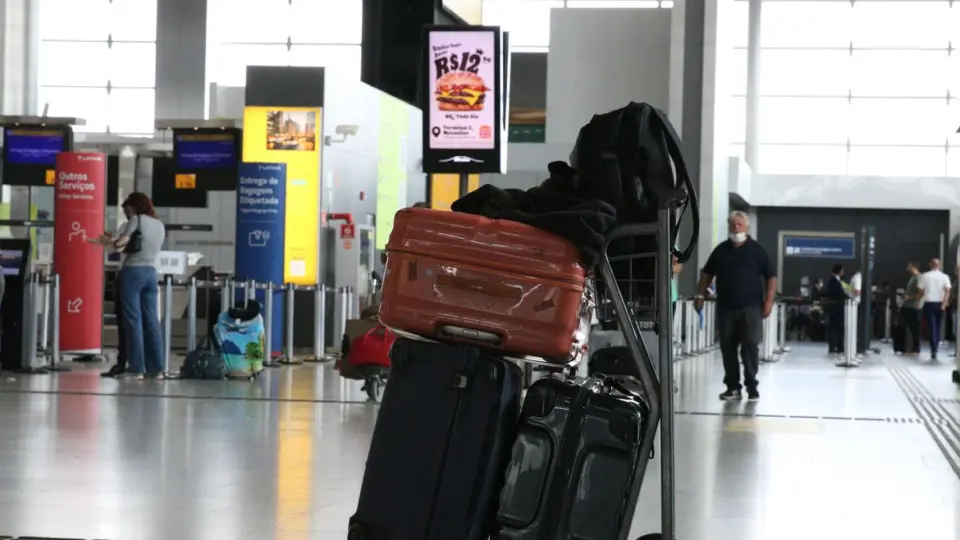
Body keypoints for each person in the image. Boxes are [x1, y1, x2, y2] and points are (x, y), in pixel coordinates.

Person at [695, 211, 776, 402]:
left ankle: (751, 385)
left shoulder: (757, 251)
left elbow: (771, 277)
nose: (736, 227)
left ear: (747, 227)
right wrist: (700, 294)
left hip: (751, 309)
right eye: (732, 224)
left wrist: (768, 301)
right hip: (726, 308)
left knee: (750, 346)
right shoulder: (721, 250)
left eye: (739, 224)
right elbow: (706, 274)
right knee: (727, 347)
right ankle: (733, 387)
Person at [91, 193, 166, 379]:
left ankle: (136, 368)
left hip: (133, 272)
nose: (126, 214)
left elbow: (120, 244)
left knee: (133, 321)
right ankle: (157, 368)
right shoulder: (159, 225)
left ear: (135, 207)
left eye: (128, 209)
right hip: (151, 272)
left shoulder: (136, 220)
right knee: (151, 321)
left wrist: (107, 242)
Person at [917, 257, 951, 360]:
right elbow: (947, 290)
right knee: (938, 326)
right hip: (940, 304)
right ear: (939, 265)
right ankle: (935, 346)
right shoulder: (944, 276)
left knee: (931, 327)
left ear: (930, 265)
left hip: (929, 304)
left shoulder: (925, 276)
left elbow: (920, 290)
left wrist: (918, 301)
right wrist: (944, 304)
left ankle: (933, 349)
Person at [825, 264, 848, 357]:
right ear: (839, 271)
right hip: (835, 309)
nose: (843, 272)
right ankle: (835, 346)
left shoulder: (838, 281)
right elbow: (838, 294)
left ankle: (838, 346)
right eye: (842, 270)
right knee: (835, 328)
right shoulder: (833, 281)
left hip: (837, 308)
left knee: (837, 328)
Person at [902, 262, 923, 357]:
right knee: (911, 328)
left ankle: (916, 349)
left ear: (914, 267)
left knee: (915, 328)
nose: (907, 269)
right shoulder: (912, 278)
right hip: (909, 306)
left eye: (909, 267)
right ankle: (911, 348)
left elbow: (921, 292)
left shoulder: (919, 278)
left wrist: (909, 298)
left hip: (914, 306)